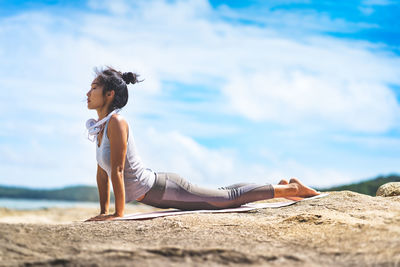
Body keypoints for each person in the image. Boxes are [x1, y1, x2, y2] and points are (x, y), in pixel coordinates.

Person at [85, 67, 320, 221]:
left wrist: (118, 214)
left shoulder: (117, 121)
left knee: (229, 199)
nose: (88, 92)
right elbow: (103, 173)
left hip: (162, 187)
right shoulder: (100, 127)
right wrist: (104, 212)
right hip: (158, 191)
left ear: (110, 94)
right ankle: (277, 186)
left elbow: (116, 170)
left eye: (94, 87)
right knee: (224, 194)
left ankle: (291, 190)